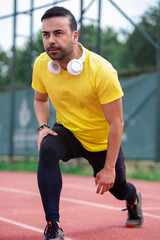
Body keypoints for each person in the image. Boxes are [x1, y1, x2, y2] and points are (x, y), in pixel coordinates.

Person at [32, 6, 143, 240]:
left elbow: (116, 123)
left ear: (74, 36)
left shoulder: (102, 71)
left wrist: (109, 168)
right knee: (48, 148)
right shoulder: (42, 65)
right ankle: (53, 225)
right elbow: (40, 99)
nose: (51, 40)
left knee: (120, 190)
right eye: (46, 34)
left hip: (101, 141)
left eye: (58, 33)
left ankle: (133, 199)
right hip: (69, 131)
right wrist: (43, 127)